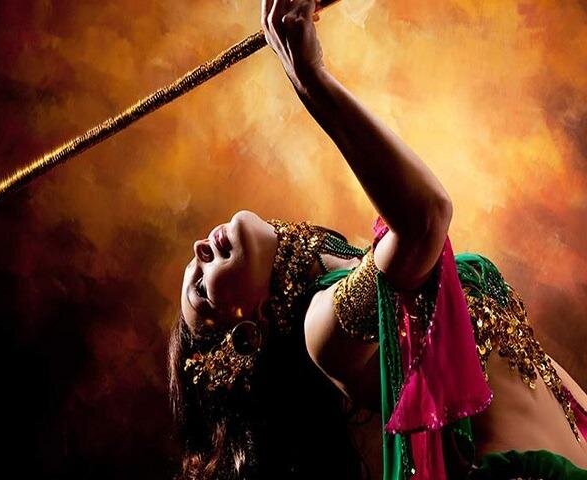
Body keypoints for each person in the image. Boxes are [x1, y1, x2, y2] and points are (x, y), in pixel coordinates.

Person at [168, 0, 587, 478]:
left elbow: (552, 386)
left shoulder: (352, 272)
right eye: (200, 289)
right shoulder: (323, 331)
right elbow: (427, 216)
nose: (199, 252)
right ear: (249, 332)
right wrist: (309, 78)